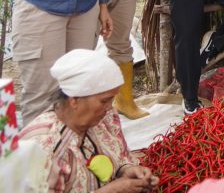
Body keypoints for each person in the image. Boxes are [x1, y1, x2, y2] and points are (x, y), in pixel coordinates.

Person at [20, 49, 158, 192]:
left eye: (112, 99)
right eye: (104, 100)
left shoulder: (103, 119)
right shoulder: (43, 147)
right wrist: (111, 190)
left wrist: (126, 170)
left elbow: (118, 156)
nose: (110, 107)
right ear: (74, 100)